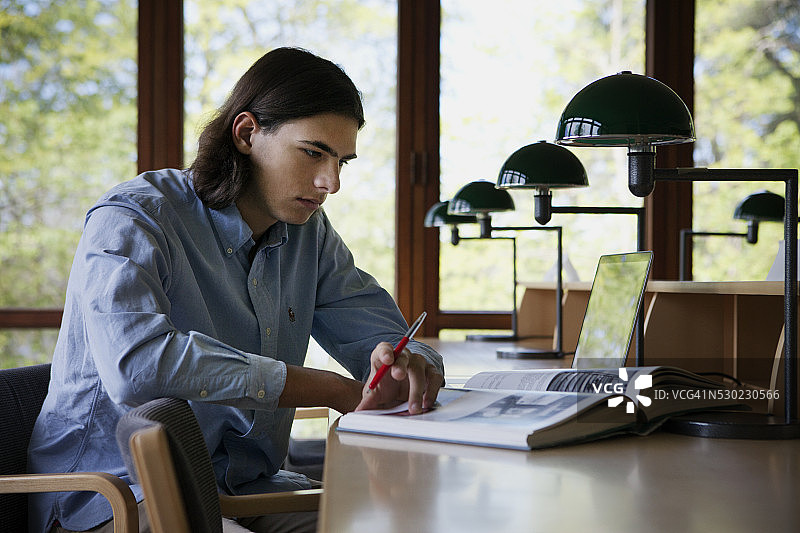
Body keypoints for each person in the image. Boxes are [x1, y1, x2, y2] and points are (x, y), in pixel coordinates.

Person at [28, 46, 444, 533]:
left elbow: (384, 336)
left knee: (408, 523)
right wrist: (329, 388)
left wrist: (408, 363)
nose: (329, 182)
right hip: (112, 497)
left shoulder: (309, 232)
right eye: (313, 152)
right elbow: (136, 366)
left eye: (341, 162)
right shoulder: (134, 218)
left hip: (245, 488)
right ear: (246, 133)